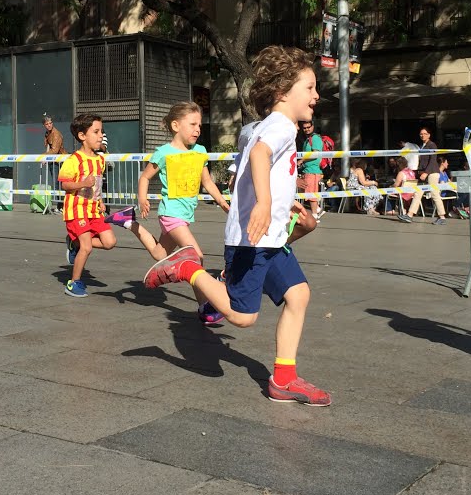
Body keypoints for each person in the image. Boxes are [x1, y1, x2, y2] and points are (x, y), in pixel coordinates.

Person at [141, 45, 331, 406]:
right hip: (252, 240)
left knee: (299, 295)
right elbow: (260, 155)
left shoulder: (272, 126)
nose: (315, 94)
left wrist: (285, 203)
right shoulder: (280, 126)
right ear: (282, 92)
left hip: (271, 239)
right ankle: (187, 268)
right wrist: (263, 202)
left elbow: (262, 163)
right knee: (243, 317)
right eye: (309, 87)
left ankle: (284, 379)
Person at [106, 102, 231, 320]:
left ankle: (128, 221)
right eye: (192, 124)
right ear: (175, 125)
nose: (197, 129)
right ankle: (204, 307)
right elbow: (145, 177)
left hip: (184, 215)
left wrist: (221, 201)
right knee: (196, 256)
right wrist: (142, 199)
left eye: (199, 125)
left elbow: (207, 182)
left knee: (159, 254)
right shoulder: (164, 153)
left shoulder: (200, 152)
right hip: (171, 214)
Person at [59, 114, 117, 298]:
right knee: (87, 248)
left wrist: (100, 201)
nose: (101, 136)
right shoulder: (73, 160)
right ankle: (73, 283)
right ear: (82, 136)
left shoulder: (100, 160)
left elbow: (97, 184)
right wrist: (82, 184)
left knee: (110, 242)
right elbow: (65, 184)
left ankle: (73, 242)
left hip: (94, 210)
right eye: (96, 132)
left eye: (102, 131)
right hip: (77, 210)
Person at [400, 126, 447, 225]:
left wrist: (426, 172)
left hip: (432, 172)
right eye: (421, 134)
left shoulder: (432, 145)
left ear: (429, 135)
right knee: (418, 193)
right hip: (423, 173)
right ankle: (409, 215)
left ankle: (442, 216)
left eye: (425, 133)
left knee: (434, 193)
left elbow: (433, 160)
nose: (422, 135)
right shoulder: (422, 146)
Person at [298, 120, 324, 220]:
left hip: (313, 170)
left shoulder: (315, 138)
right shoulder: (307, 140)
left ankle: (314, 215)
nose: (306, 129)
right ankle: (317, 210)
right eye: (304, 128)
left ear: (313, 127)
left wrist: (301, 160)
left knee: (311, 194)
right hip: (307, 169)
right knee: (304, 191)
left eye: (308, 127)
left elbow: (315, 153)